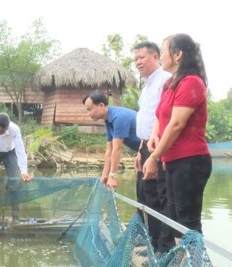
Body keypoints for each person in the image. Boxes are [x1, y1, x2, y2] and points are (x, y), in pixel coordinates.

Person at [143, 33, 212, 241]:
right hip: (172, 161)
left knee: (187, 222)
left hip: (191, 161)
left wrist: (154, 157)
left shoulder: (192, 82)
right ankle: (182, 261)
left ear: (178, 55)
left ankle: (194, 262)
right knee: (174, 220)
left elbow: (176, 124)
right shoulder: (169, 84)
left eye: (163, 52)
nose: (162, 56)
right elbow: (159, 117)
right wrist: (154, 135)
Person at [133, 41, 175, 253]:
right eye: (136, 59)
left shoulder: (165, 80)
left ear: (156, 56)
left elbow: (165, 118)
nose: (137, 62)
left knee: (157, 197)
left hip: (158, 146)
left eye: (141, 57)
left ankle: (162, 248)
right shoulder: (147, 84)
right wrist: (140, 150)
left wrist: (155, 155)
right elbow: (147, 119)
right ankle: (151, 242)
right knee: (143, 195)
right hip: (145, 145)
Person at [82, 90, 140, 188]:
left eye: (90, 109)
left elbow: (117, 149)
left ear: (101, 105)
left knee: (149, 190)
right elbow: (109, 150)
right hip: (142, 152)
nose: (88, 113)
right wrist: (105, 175)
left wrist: (112, 176)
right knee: (142, 189)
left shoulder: (119, 117)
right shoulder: (108, 121)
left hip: (154, 149)